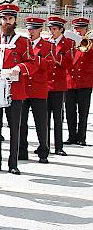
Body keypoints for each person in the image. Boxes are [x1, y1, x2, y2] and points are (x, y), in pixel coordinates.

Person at [0, 4, 37, 175]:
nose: (6, 22)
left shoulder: (23, 41)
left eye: (10, 19)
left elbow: (32, 63)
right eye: (4, 19)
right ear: (0, 20)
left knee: (14, 127)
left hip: (15, 90)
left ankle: (13, 163)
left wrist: (20, 67)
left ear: (15, 21)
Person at [19, 17, 51, 164]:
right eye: (29, 29)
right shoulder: (23, 44)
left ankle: (43, 151)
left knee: (41, 122)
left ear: (40, 30)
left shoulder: (47, 46)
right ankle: (22, 150)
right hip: (24, 87)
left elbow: (50, 65)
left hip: (38, 88)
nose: (31, 32)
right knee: (21, 122)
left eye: (34, 29)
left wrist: (36, 60)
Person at [45, 16, 74, 156]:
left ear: (61, 30)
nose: (51, 32)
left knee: (58, 117)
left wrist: (56, 57)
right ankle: (44, 146)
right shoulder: (45, 42)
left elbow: (69, 63)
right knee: (44, 117)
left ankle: (58, 146)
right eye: (50, 29)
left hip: (58, 84)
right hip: (45, 84)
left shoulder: (69, 43)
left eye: (54, 29)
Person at [65, 18, 92, 145]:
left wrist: (84, 43)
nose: (79, 31)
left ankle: (81, 137)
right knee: (70, 111)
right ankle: (71, 136)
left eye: (81, 28)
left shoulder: (90, 44)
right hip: (70, 81)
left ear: (86, 30)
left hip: (84, 82)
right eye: (76, 28)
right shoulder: (69, 44)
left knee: (83, 111)